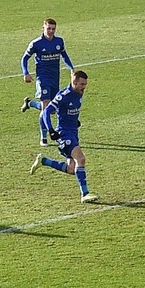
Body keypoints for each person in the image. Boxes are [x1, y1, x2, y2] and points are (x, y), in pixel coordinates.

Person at [29, 69, 97, 203]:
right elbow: (46, 112)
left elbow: (69, 111)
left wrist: (74, 121)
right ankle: (85, 194)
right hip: (64, 134)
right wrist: (51, 130)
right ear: (74, 83)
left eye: (85, 84)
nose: (85, 87)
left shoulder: (78, 93)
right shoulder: (64, 95)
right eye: (82, 84)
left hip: (73, 132)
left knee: (72, 169)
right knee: (81, 159)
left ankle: (44, 161)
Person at [20, 17, 75, 146]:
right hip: (42, 78)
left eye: (53, 29)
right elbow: (24, 58)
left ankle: (31, 104)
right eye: (48, 28)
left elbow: (64, 56)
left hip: (55, 77)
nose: (51, 31)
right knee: (46, 107)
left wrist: (71, 68)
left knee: (53, 108)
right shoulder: (36, 43)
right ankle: (44, 137)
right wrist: (25, 73)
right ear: (43, 28)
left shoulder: (59, 41)